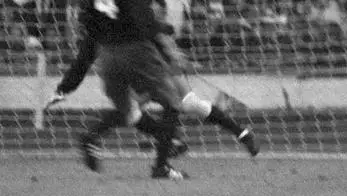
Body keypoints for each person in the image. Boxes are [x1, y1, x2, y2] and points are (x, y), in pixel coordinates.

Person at [76, 0, 189, 180]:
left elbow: (88, 20)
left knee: (130, 110)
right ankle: (161, 166)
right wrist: (169, 52)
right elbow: (144, 23)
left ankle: (91, 137)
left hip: (107, 54)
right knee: (172, 103)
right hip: (135, 52)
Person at [47, 25, 260, 159]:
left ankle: (242, 133)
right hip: (142, 71)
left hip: (160, 68)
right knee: (131, 110)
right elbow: (84, 60)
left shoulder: (136, 19)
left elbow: (159, 39)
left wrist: (174, 56)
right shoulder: (106, 27)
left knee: (188, 104)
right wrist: (64, 88)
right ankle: (168, 142)